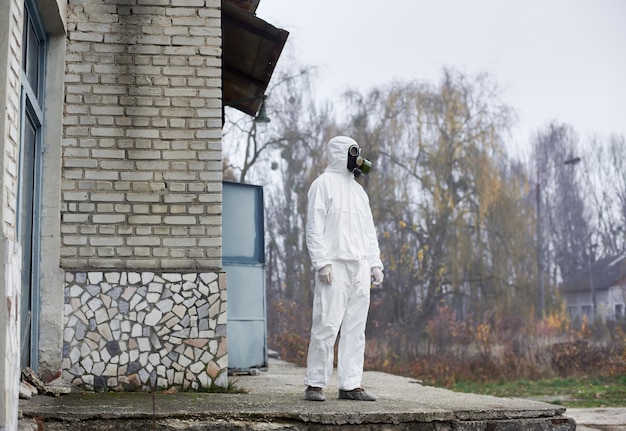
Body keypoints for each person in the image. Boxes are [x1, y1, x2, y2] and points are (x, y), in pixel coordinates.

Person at [303, 136, 384, 402]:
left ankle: (351, 384)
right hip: (334, 265)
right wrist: (321, 262)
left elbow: (369, 232)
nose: (358, 158)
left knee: (355, 328)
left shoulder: (359, 192)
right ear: (342, 154)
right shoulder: (322, 185)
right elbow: (314, 226)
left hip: (359, 267)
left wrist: (375, 263)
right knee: (326, 324)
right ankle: (315, 383)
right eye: (354, 153)